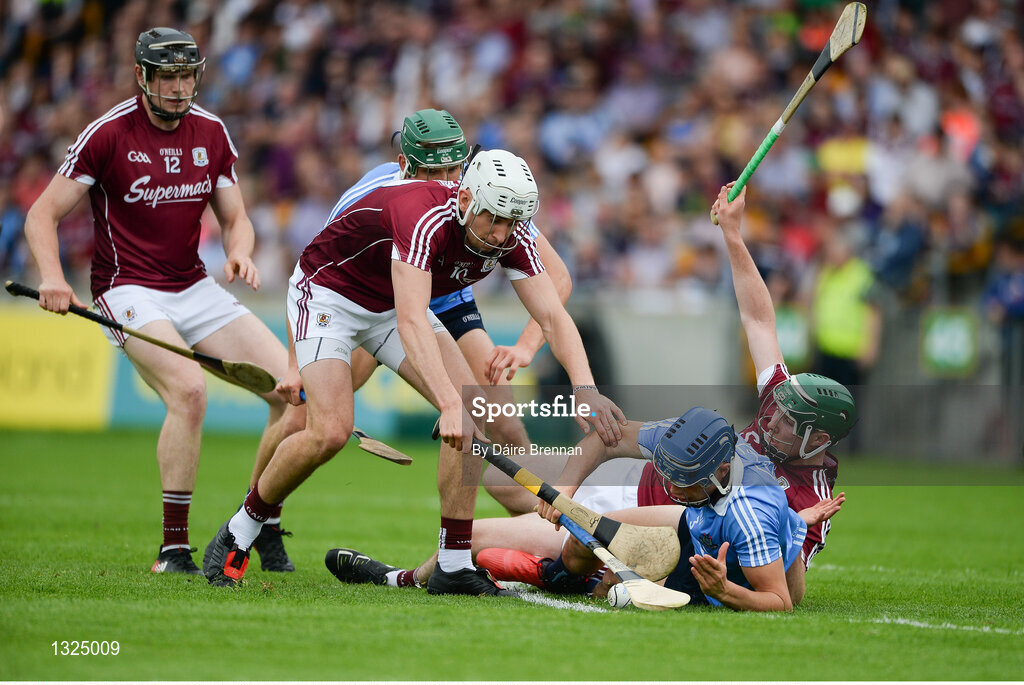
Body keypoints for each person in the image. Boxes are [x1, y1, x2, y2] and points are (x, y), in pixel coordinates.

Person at [203, 147, 626, 593]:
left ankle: (454, 564)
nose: (502, 234)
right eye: (493, 220)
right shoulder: (423, 216)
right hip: (330, 293)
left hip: (389, 303)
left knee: (473, 412)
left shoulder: (511, 231)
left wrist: (585, 387)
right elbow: (410, 321)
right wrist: (446, 402)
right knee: (328, 430)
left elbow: (553, 316)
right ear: (465, 200)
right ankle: (242, 528)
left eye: (511, 223)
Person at [23, 28, 305, 575]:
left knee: (291, 392)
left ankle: (260, 524)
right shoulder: (107, 134)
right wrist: (54, 278)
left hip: (194, 285)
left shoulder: (212, 131)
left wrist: (240, 253)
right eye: (167, 77)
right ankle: (173, 548)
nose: (178, 89)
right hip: (124, 286)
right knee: (190, 391)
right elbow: (42, 214)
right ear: (142, 78)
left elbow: (235, 218)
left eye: (186, 76)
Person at [482, 184, 856, 570]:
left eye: (788, 423)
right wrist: (732, 233)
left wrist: (791, 526)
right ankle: (553, 555)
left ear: (820, 440)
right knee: (497, 476)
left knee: (481, 538)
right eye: (777, 412)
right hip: (637, 476)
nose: (772, 421)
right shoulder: (779, 399)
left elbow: (780, 583)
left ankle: (557, 560)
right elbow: (759, 321)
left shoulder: (812, 502)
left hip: (661, 530)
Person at [328, 407, 820, 612]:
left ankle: (395, 578)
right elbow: (609, 438)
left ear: (717, 473)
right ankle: (567, 571)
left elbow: (783, 603)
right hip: (697, 535)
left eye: (680, 479)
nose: (668, 482)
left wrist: (726, 588)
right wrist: (565, 490)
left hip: (714, 567)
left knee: (476, 537)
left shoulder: (747, 514)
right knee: (580, 539)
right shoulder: (692, 441)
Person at [329, 108, 573, 451]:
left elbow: (559, 278)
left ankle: (539, 505)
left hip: (450, 301)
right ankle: (256, 501)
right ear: (405, 166)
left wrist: (526, 346)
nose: (444, 181)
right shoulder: (372, 192)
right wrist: (298, 365)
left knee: (503, 421)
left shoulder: (485, 194)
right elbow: (314, 279)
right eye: (431, 172)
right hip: (386, 303)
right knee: (319, 402)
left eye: (452, 170)